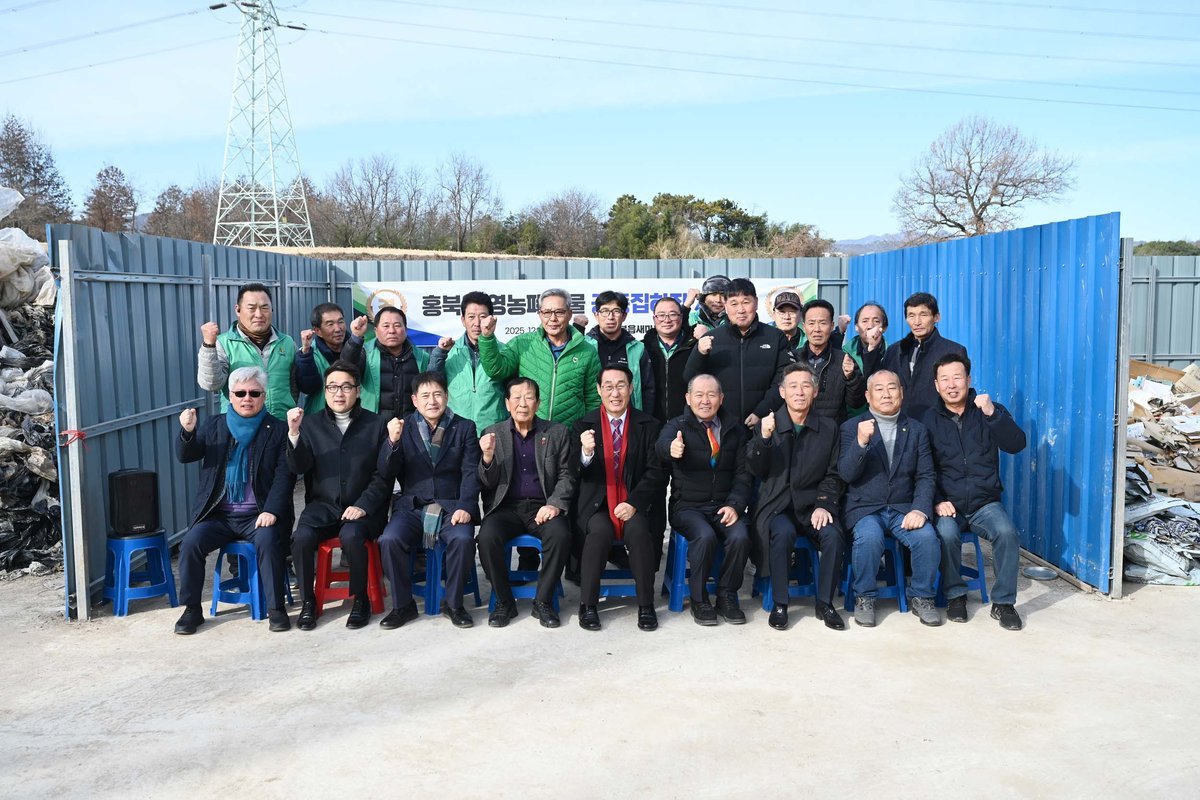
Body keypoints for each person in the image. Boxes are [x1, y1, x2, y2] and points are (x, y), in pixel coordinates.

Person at [173, 367, 293, 634]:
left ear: (264, 396)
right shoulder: (214, 425)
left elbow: (284, 476)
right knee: (190, 543)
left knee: (268, 540)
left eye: (254, 393)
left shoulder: (277, 429)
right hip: (220, 515)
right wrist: (188, 432)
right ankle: (192, 609)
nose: (247, 398)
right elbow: (186, 455)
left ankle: (276, 609)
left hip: (258, 514)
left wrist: (272, 510)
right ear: (230, 396)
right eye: (240, 393)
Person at [287, 361, 402, 631]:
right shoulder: (310, 425)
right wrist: (293, 434)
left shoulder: (376, 424)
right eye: (333, 387)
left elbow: (383, 476)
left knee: (352, 536)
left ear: (358, 390)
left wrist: (363, 506)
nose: (339, 393)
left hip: (365, 510)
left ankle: (360, 599)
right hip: (323, 506)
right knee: (301, 538)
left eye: (346, 387)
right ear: (325, 391)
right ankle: (308, 602)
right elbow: (298, 467)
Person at [924, 353, 1027, 631]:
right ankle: (955, 595)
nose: (952, 385)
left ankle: (1003, 602)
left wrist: (993, 415)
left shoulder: (989, 411)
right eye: (945, 379)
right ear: (936, 385)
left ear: (968, 380)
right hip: (948, 504)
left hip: (985, 503)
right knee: (946, 535)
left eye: (957, 377)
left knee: (1007, 533)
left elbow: (1016, 444)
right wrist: (936, 501)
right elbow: (922, 468)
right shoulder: (928, 420)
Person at [377, 371, 482, 629]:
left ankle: (454, 604)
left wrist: (466, 506)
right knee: (389, 540)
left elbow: (471, 471)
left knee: (463, 540)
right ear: (415, 400)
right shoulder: (403, 428)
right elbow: (386, 471)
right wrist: (392, 442)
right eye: (425, 396)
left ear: (447, 396)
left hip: (452, 507)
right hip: (412, 507)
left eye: (437, 394)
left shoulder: (465, 427)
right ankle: (403, 605)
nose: (432, 401)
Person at [746, 363, 846, 631]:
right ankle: (780, 603)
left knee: (833, 535)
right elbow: (756, 469)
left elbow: (834, 474)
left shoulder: (829, 428)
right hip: (778, 506)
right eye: (793, 386)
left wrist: (824, 504)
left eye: (805, 386)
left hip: (813, 505)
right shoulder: (768, 424)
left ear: (815, 391)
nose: (799, 392)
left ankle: (825, 603)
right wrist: (764, 439)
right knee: (782, 534)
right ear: (782, 392)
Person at [839, 370, 942, 628]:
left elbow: (926, 475)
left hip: (903, 507)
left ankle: (922, 596)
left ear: (901, 393)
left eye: (892, 388)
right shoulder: (851, 428)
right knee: (869, 537)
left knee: (927, 538)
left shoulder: (916, 429)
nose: (886, 394)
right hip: (865, 507)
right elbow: (846, 474)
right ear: (868, 396)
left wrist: (920, 509)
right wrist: (860, 443)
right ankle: (865, 597)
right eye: (879, 389)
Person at [572, 365, 668, 632]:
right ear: (599, 390)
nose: (615, 393)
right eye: (609, 387)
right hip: (599, 506)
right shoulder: (584, 425)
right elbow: (574, 472)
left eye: (621, 386)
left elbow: (656, 472)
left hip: (635, 504)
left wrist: (633, 503)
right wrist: (585, 454)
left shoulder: (649, 425)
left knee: (639, 532)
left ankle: (646, 605)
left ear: (631, 388)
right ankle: (588, 604)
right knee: (598, 533)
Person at [477, 377, 576, 629]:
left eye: (529, 397)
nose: (523, 404)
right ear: (507, 403)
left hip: (543, 507)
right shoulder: (492, 434)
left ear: (538, 403)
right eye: (517, 398)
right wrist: (487, 457)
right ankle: (504, 601)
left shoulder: (556, 433)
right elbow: (487, 484)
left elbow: (567, 475)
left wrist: (554, 504)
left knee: (561, 535)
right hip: (506, 508)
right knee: (487, 537)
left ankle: (543, 601)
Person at [656, 374, 752, 626]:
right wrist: (670, 449)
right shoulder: (677, 426)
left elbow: (743, 474)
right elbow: (661, 446)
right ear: (688, 399)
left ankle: (727, 595)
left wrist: (735, 505)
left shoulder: (735, 429)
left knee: (740, 535)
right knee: (705, 536)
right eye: (699, 395)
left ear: (721, 398)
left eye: (711, 394)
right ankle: (699, 599)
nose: (705, 401)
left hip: (724, 505)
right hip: (687, 506)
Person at [477, 288, 601, 428]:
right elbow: (496, 370)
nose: (553, 318)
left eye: (559, 312)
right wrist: (487, 338)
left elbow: (593, 398)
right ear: (540, 314)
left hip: (570, 433)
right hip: (530, 432)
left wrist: (586, 430)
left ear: (569, 313)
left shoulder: (587, 351)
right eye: (546, 312)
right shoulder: (522, 344)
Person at [684, 277, 795, 428]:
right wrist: (699, 353)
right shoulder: (711, 338)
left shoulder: (775, 337)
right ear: (726, 306)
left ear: (756, 303)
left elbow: (784, 380)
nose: (741, 310)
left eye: (746, 302)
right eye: (734, 303)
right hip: (721, 427)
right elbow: (690, 379)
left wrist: (762, 412)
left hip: (765, 425)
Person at [198, 282, 298, 421]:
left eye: (264, 308)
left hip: (281, 424)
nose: (259, 314)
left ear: (272, 309)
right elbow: (211, 384)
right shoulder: (224, 343)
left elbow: (294, 386)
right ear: (238, 310)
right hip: (239, 426)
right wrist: (209, 345)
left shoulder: (287, 342)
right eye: (251, 308)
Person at [878, 292, 967, 419]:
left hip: (938, 424)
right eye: (911, 315)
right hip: (901, 425)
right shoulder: (894, 351)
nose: (917, 322)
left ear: (936, 317)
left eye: (923, 315)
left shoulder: (954, 351)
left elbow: (960, 395)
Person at [428, 291, 508, 430]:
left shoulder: (503, 351)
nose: (477, 323)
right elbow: (431, 382)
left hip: (494, 430)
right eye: (471, 317)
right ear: (463, 320)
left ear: (491, 319)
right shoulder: (449, 352)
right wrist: (440, 353)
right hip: (456, 431)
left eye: (483, 317)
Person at [341, 305, 431, 419]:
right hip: (373, 424)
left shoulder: (421, 357)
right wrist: (356, 337)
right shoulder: (366, 354)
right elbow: (346, 368)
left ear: (406, 330)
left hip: (411, 425)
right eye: (386, 326)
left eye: (397, 325)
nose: (392, 331)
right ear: (376, 331)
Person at [583, 290, 656, 415]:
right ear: (596, 315)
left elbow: (648, 389)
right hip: (592, 417)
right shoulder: (584, 346)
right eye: (604, 311)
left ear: (624, 316)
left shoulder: (637, 348)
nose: (610, 317)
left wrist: (644, 420)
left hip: (630, 418)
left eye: (616, 311)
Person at [796, 299, 865, 423]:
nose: (817, 329)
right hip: (798, 429)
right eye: (811, 323)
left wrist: (851, 377)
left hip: (832, 430)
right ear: (804, 326)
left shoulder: (844, 360)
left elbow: (856, 402)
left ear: (832, 326)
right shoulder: (793, 358)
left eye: (823, 323)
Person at [642, 295, 697, 425]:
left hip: (689, 422)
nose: (667, 320)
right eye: (661, 315)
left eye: (672, 315)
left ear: (681, 317)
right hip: (650, 423)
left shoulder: (696, 347)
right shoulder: (642, 348)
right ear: (654, 319)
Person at [295, 302, 356, 413]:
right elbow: (308, 387)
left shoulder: (359, 349)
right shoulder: (307, 354)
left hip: (353, 417)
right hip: (319, 417)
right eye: (330, 324)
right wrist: (306, 352)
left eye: (340, 321)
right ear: (318, 331)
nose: (338, 329)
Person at [842, 301, 888, 417]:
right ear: (856, 327)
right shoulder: (845, 354)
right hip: (852, 419)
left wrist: (872, 348)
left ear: (884, 328)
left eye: (876, 321)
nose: (870, 326)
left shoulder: (894, 354)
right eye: (864, 321)